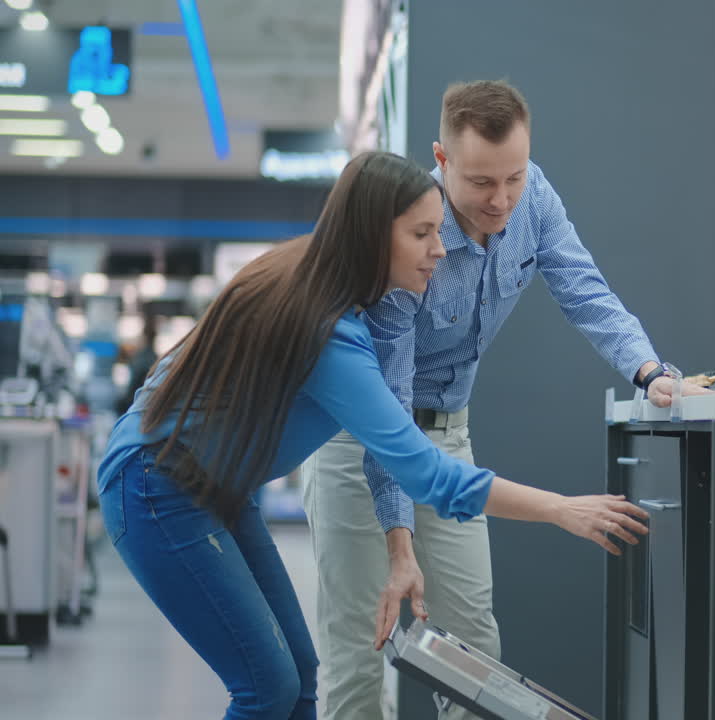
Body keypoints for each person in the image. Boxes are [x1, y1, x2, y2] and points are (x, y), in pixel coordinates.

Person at [97, 151, 649, 720]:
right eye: (422, 233)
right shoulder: (330, 332)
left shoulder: (326, 290)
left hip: (216, 486)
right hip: (156, 488)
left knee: (300, 680)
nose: (440, 249)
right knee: (266, 689)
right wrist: (559, 508)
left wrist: (400, 544)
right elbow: (426, 472)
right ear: (371, 236)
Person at [303, 80, 713, 720]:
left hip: (448, 433)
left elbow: (582, 284)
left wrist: (648, 370)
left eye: (513, 178)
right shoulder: (410, 239)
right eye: (480, 182)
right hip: (363, 438)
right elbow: (390, 406)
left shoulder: (532, 197)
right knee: (361, 649)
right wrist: (400, 545)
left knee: (473, 652)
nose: (500, 200)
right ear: (441, 160)